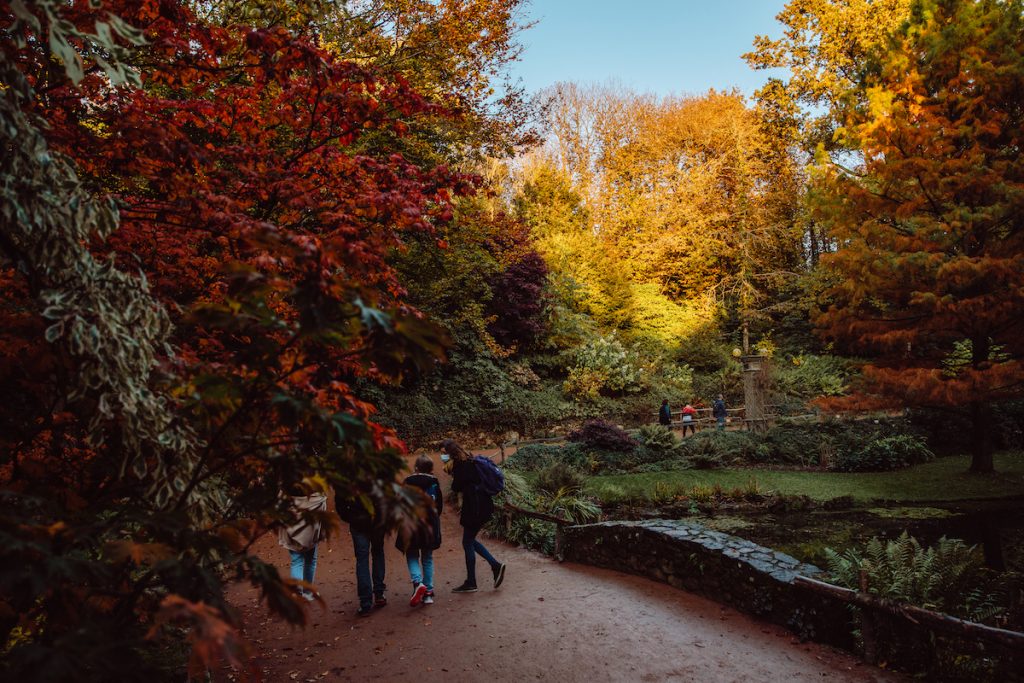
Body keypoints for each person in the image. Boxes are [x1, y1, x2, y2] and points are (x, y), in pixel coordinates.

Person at [441, 439, 506, 593]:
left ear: (450, 454)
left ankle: (474, 580)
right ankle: (492, 567)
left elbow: (455, 487)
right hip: (484, 505)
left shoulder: (460, 467)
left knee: (467, 542)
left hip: (474, 507)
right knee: (469, 541)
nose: (442, 457)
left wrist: (452, 472)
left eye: (444, 454)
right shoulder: (471, 460)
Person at [398, 454, 443, 607]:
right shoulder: (434, 483)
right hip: (429, 526)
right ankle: (428, 593)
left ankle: (418, 583)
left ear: (415, 468)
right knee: (427, 558)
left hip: (411, 525)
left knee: (411, 554)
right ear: (431, 469)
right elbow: (439, 506)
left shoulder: (407, 482)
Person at [337, 488, 387, 617]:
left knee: (362, 559)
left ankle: (366, 602)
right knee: (377, 553)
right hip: (376, 520)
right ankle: (379, 593)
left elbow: (340, 501)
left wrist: (350, 517)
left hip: (359, 522)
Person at [278, 490, 328, 601]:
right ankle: (307, 592)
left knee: (296, 561)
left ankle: (297, 595)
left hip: (292, 529)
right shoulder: (316, 493)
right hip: (310, 530)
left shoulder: (288, 486)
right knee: (310, 560)